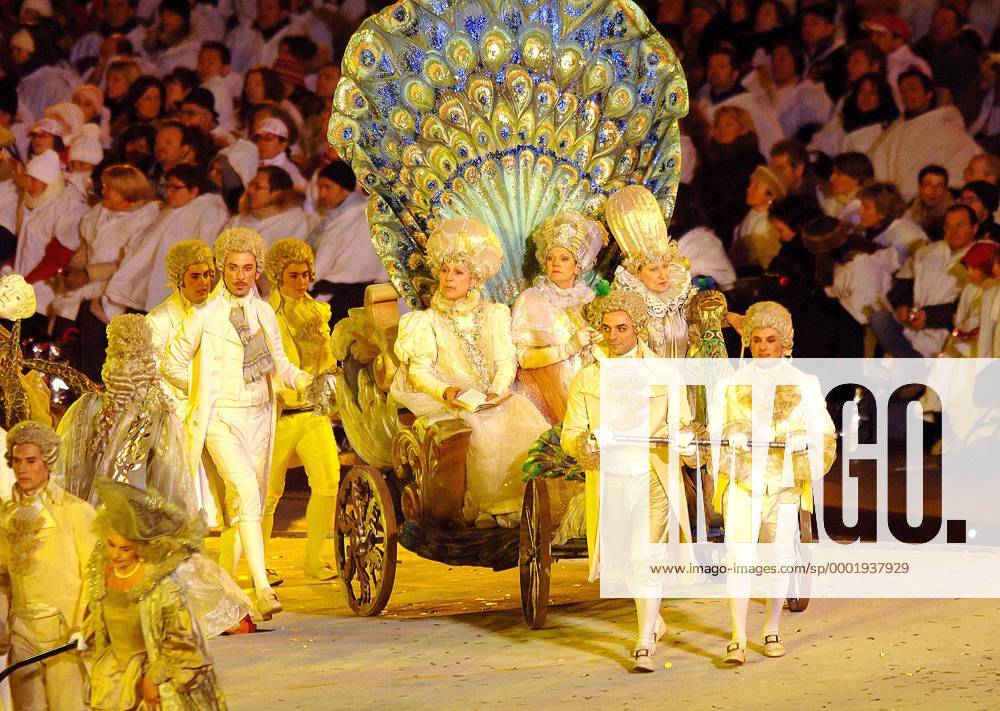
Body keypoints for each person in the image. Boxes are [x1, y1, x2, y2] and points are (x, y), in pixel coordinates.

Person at [162, 227, 312, 617]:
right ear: (222, 268)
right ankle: (262, 588)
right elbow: (172, 361)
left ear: (257, 269)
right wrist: (200, 389)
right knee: (244, 492)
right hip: (222, 418)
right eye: (232, 268)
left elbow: (278, 362)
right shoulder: (204, 314)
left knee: (248, 506)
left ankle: (223, 593)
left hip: (260, 414)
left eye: (247, 268)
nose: (240, 276)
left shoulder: (262, 312)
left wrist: (305, 380)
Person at [561, 289, 695, 672]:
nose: (613, 335)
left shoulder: (665, 374)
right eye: (607, 328)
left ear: (637, 328)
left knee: (646, 556)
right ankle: (654, 621)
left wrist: (683, 440)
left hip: (652, 475)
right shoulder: (588, 377)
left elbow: (682, 426)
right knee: (622, 564)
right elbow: (572, 432)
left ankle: (643, 644)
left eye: (621, 328)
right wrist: (586, 442)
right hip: (609, 479)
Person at [390, 218, 551, 527]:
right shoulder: (425, 322)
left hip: (491, 397)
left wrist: (497, 391)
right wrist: (445, 391)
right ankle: (492, 507)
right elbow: (419, 371)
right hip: (451, 401)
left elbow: (506, 361)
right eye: (444, 270)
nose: (449, 278)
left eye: (458, 272)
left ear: (474, 279)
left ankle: (528, 503)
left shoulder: (494, 315)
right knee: (480, 430)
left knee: (523, 418)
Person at [711, 301, 836, 665]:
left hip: (782, 484)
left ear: (785, 343)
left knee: (779, 558)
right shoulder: (730, 385)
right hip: (743, 482)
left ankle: (772, 628)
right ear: (748, 342)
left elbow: (824, 434)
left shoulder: (805, 384)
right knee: (739, 557)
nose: (764, 347)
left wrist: (802, 440)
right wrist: (729, 436)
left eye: (771, 340)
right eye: (757, 340)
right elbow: (714, 432)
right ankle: (737, 635)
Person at [82, 478, 229, 710]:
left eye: (125, 548)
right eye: (111, 545)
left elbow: (181, 640)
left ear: (140, 548)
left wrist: (154, 677)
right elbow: (98, 623)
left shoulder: (159, 585)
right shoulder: (102, 571)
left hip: (152, 675)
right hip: (113, 677)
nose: (116, 555)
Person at [0, 421, 95, 710]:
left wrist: (86, 627)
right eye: (17, 461)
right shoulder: (6, 516)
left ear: (47, 462)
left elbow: (95, 575)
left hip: (65, 633)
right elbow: (2, 576)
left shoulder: (76, 512)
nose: (22, 469)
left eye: (31, 461)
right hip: (22, 633)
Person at [261, 239, 340, 581]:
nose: (301, 281)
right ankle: (258, 564)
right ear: (278, 276)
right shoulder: (268, 314)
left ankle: (313, 561)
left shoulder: (316, 312)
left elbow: (326, 361)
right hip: (280, 414)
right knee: (267, 494)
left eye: (306, 274)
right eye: (293, 275)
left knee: (327, 482)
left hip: (313, 410)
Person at [510, 211, 606, 421]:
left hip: (592, 386)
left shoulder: (590, 300)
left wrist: (601, 345)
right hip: (550, 391)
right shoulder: (533, 299)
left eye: (564, 258)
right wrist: (569, 347)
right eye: (550, 258)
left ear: (578, 267)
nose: (555, 263)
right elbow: (524, 358)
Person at [105, 163, 228, 315]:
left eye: (175, 188)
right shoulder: (167, 212)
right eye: (167, 187)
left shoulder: (209, 214)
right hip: (144, 292)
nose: (169, 192)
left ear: (193, 191)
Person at [870, 204, 978, 358]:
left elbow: (970, 307)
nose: (953, 232)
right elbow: (902, 286)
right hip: (909, 325)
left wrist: (929, 317)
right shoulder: (927, 252)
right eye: (948, 226)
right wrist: (902, 306)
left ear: (974, 228)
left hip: (945, 331)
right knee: (879, 318)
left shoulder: (981, 259)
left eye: (960, 225)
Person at [606, 185, 698, 357]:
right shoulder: (624, 306)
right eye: (654, 269)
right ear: (637, 273)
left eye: (665, 266)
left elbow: (703, 317)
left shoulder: (681, 295)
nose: (663, 275)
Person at [870, 69, 982, 200]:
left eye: (912, 89)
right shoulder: (896, 128)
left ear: (928, 94)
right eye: (903, 91)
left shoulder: (946, 127)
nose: (907, 95)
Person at [306, 161, 387, 327]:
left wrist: (328, 281)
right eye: (319, 187)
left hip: (352, 295)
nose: (322, 194)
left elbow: (358, 263)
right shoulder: (328, 217)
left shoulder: (364, 216)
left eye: (327, 187)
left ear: (345, 189)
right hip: (325, 288)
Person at [224, 166, 309, 250]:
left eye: (258, 187)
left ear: (276, 194)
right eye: (250, 185)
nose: (250, 191)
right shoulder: (237, 221)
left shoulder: (295, 223)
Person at [728, 165, 788, 271]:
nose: (749, 189)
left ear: (771, 195)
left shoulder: (769, 225)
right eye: (750, 184)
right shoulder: (748, 215)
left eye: (756, 186)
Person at [822, 152, 874, 225]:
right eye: (833, 173)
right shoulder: (830, 203)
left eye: (838, 174)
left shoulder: (863, 209)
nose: (831, 178)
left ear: (857, 178)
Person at [907, 165, 953, 241]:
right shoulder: (909, 212)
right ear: (920, 188)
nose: (933, 191)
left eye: (939, 186)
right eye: (928, 185)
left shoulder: (954, 214)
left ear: (945, 189)